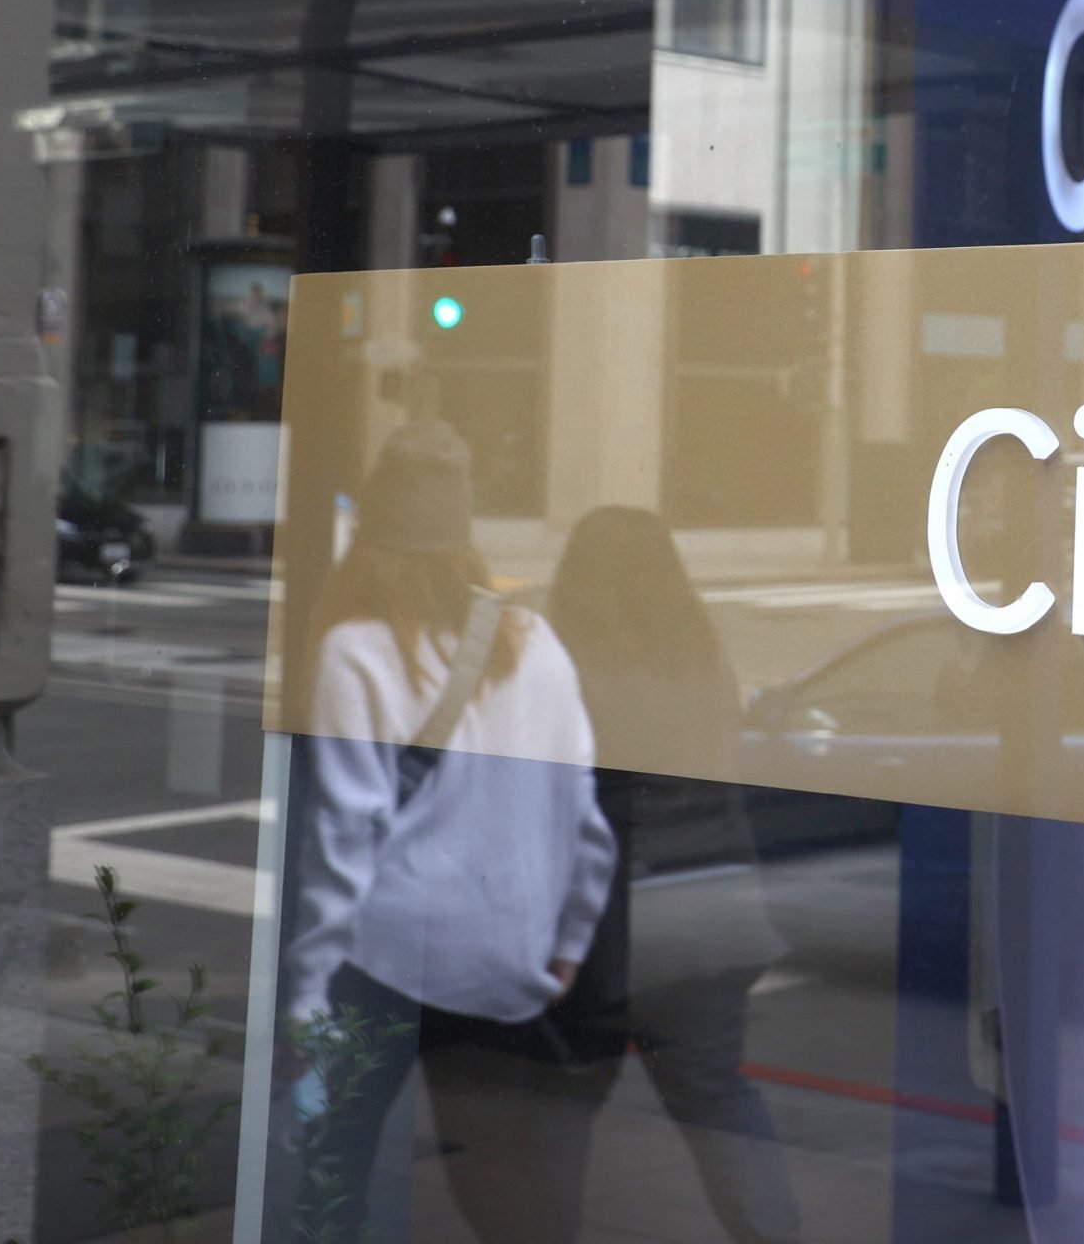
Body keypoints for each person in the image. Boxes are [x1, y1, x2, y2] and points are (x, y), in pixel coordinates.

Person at [278, 420, 618, 1243]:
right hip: (507, 958)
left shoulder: (355, 651)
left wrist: (309, 993)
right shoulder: (534, 641)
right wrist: (567, 945)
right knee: (508, 1189)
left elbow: (346, 837)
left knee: (334, 1175)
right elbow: (584, 811)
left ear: (369, 534)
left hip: (386, 958)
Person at [543, 505, 804, 1244]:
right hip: (710, 908)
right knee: (718, 1101)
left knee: (556, 1109)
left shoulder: (563, 665)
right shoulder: (703, 658)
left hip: (601, 920)